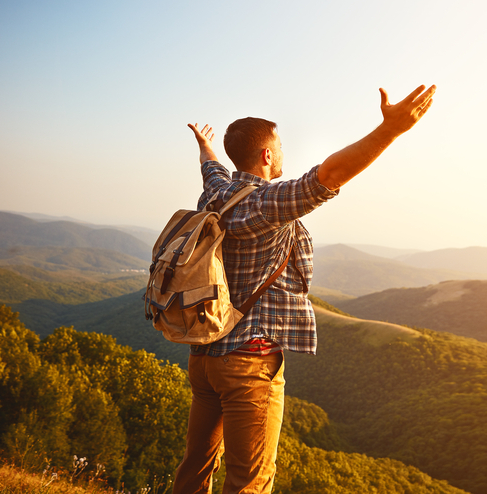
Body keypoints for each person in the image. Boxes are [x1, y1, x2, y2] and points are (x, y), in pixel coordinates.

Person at [171, 84, 436, 494]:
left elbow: (211, 168)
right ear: (267, 155)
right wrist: (390, 131)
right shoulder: (266, 202)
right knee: (249, 481)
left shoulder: (218, 193)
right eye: (279, 146)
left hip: (204, 358)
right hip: (248, 362)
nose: (283, 153)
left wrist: (206, 146)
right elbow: (328, 176)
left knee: (196, 467)